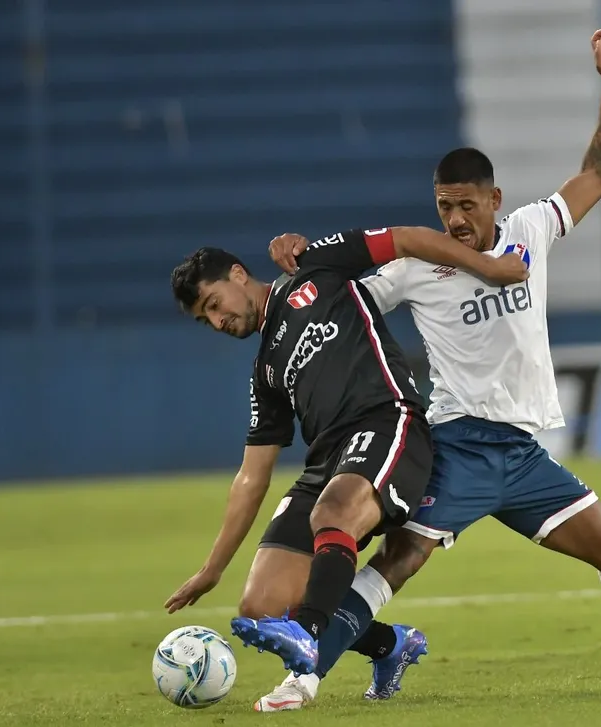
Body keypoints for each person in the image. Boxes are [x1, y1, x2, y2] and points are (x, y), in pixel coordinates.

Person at [257, 27, 601, 712]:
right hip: (455, 445)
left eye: (466, 205)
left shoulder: (530, 229)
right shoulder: (415, 268)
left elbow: (599, 173)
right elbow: (339, 301)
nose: (455, 220)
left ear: (495, 199)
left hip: (522, 456)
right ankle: (304, 675)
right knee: (397, 561)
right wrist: (301, 257)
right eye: (444, 207)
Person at [163, 225, 527, 700]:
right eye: (205, 319)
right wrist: (212, 569)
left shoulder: (314, 267)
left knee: (332, 513)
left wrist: (488, 267)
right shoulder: (265, 371)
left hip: (388, 424)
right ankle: (389, 645)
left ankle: (308, 634)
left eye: (214, 304)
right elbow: (252, 476)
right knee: (260, 606)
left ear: (237, 274)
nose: (217, 321)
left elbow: (402, 239)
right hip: (327, 464)